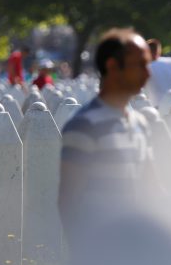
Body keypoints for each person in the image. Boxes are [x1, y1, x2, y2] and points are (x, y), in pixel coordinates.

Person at [58, 28, 158, 243]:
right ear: (112, 66)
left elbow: (151, 190)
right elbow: (69, 201)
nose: (148, 73)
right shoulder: (84, 125)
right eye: (140, 64)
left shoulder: (140, 124)